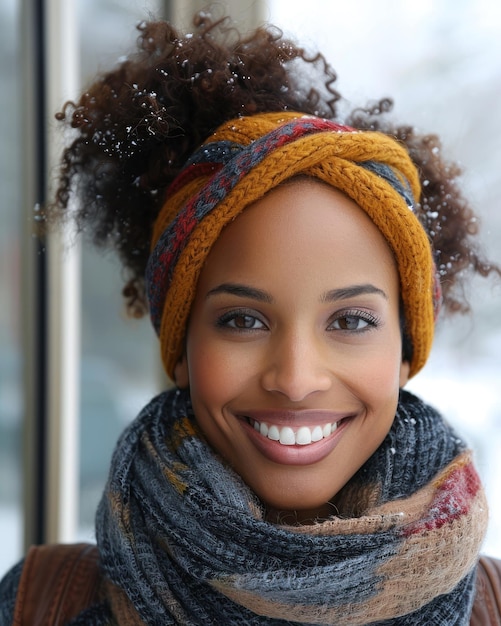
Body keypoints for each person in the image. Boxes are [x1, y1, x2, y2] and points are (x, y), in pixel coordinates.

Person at [1, 11, 501, 625]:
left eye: (350, 322)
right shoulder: (38, 602)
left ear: (406, 349)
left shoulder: (491, 605)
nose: (295, 379)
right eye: (242, 321)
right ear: (180, 346)